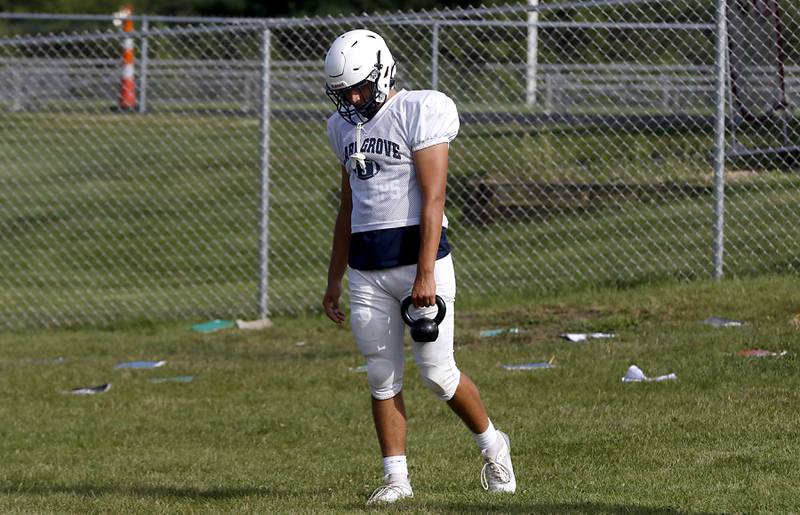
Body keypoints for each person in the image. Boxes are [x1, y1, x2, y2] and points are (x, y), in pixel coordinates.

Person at [321, 28, 516, 505]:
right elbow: (348, 209)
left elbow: (434, 198)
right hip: (368, 267)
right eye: (342, 92)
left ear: (383, 73)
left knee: (437, 374)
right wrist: (334, 277)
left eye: (359, 88)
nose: (351, 99)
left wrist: (425, 272)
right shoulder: (342, 127)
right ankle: (396, 479)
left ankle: (494, 447)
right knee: (380, 375)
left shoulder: (419, 109)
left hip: (418, 262)